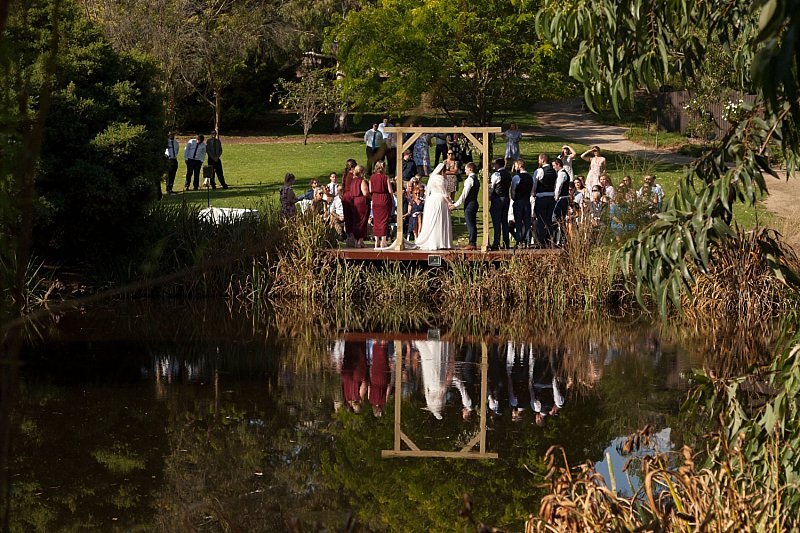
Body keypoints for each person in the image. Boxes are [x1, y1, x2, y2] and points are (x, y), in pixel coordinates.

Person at [409, 163, 453, 250]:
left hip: (432, 200)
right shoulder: (441, 179)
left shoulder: (432, 178)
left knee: (433, 220)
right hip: (440, 200)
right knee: (440, 220)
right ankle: (441, 242)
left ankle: (433, 241)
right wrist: (450, 202)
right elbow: (444, 192)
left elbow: (429, 191)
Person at [452, 162, 480, 249]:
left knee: (470, 223)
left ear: (470, 169)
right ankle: (472, 242)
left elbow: (464, 194)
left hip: (470, 204)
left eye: (466, 169)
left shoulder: (469, 180)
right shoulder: (476, 179)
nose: (465, 170)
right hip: (474, 202)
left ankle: (472, 243)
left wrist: (455, 205)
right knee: (472, 223)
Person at [532, 153, 558, 246]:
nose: (538, 162)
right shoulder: (554, 171)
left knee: (541, 220)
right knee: (549, 220)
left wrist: (533, 193)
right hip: (551, 197)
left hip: (541, 197)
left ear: (542, 160)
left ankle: (542, 242)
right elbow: (555, 184)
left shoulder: (539, 171)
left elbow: (534, 184)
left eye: (539, 160)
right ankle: (551, 240)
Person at [489, 158, 512, 250]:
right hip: (506, 198)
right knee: (504, 222)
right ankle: (506, 242)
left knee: (496, 222)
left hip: (498, 199)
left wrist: (490, 196)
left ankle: (496, 242)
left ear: (498, 165)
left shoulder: (496, 174)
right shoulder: (508, 174)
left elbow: (492, 187)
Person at [369, 161, 393, 248]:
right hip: (384, 198)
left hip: (375, 198)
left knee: (376, 220)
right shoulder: (385, 177)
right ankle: (383, 240)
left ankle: (376, 240)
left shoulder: (372, 177)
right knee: (384, 220)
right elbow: (390, 191)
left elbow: (370, 190)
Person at [510, 159, 533, 247]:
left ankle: (519, 240)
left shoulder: (516, 177)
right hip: (527, 201)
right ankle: (527, 240)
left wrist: (514, 198)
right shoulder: (530, 177)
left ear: (519, 166)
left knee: (518, 221)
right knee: (527, 221)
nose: (515, 167)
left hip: (519, 201)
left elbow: (513, 190)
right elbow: (531, 189)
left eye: (516, 166)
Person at [349, 165, 371, 248]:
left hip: (354, 201)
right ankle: (360, 241)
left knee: (356, 221)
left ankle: (356, 240)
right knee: (362, 221)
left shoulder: (353, 181)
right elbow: (365, 192)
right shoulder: (361, 181)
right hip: (361, 202)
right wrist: (370, 197)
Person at [552, 158, 571, 245]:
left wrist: (555, 198)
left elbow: (558, 187)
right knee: (560, 219)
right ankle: (562, 239)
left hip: (562, 198)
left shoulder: (562, 174)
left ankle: (561, 239)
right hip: (563, 198)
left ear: (558, 165)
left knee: (558, 218)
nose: (553, 167)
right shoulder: (562, 173)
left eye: (554, 165)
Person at [342, 159, 357, 246]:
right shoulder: (352, 175)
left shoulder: (346, 175)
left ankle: (349, 236)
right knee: (353, 217)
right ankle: (352, 237)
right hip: (351, 196)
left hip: (345, 196)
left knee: (347, 217)